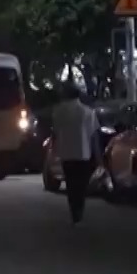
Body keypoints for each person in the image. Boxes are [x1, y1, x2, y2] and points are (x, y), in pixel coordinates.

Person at [50, 82, 98, 225]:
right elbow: (93, 135)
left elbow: (55, 132)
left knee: (70, 184)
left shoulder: (58, 111)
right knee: (81, 184)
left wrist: (54, 150)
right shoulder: (88, 112)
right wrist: (98, 154)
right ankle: (79, 209)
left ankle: (74, 211)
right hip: (83, 153)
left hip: (66, 153)